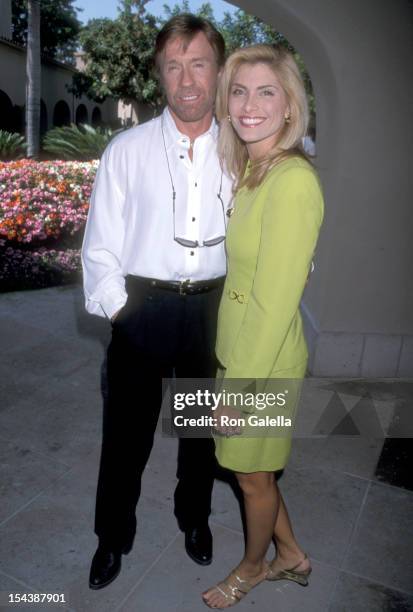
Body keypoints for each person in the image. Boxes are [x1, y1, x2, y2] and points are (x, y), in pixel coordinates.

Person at [81, 15, 233, 590]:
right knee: (125, 437)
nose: (187, 79)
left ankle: (194, 519)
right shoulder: (127, 150)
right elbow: (99, 248)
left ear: (218, 72)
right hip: (143, 308)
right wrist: (124, 311)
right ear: (159, 75)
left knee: (200, 432)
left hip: (212, 313)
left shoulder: (243, 153)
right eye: (174, 65)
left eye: (199, 63)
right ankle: (111, 538)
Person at [202, 45, 324, 608]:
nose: (250, 104)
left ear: (290, 108)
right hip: (247, 354)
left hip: (263, 365)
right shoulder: (256, 168)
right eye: (239, 90)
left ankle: (252, 569)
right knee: (258, 470)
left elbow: (275, 305)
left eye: (267, 91)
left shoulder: (292, 180)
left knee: (250, 476)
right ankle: (293, 555)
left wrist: (240, 389)